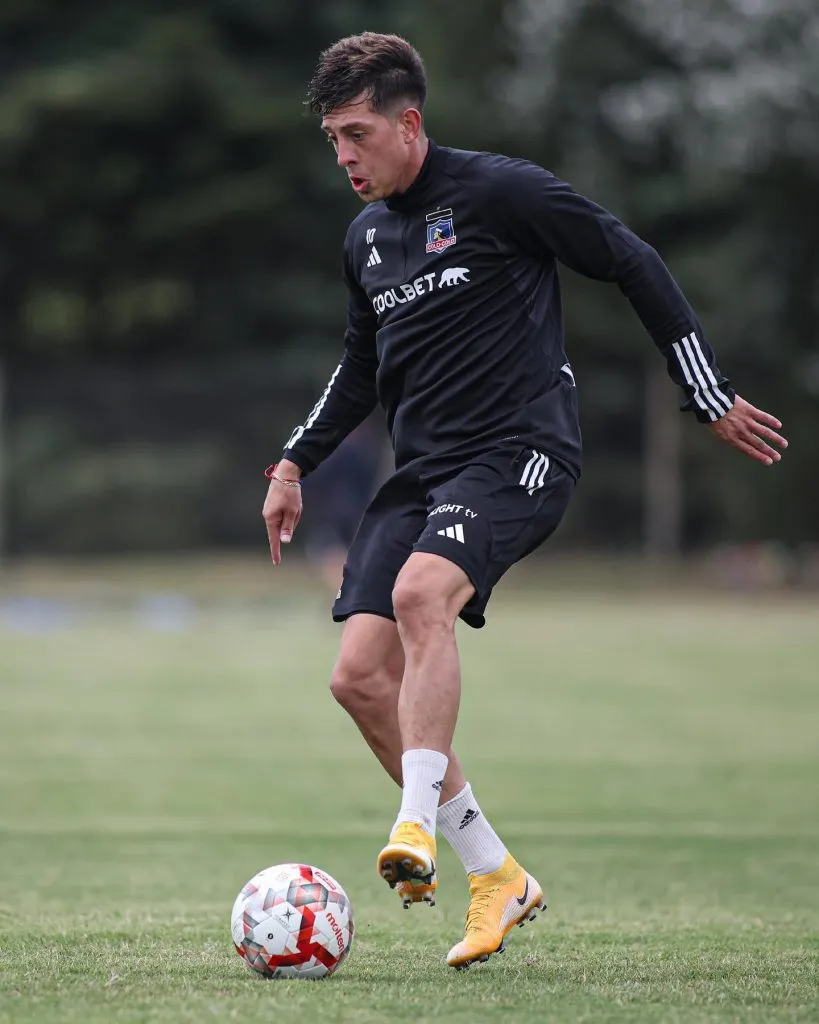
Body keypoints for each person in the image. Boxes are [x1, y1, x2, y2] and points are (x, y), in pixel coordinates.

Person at [262, 32, 788, 970]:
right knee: (357, 678)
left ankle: (413, 825)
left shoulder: (501, 192)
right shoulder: (366, 239)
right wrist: (293, 463)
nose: (342, 156)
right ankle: (494, 873)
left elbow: (629, 257)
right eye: (332, 139)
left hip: (520, 452)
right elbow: (359, 367)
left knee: (422, 595)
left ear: (408, 124)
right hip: (423, 475)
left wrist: (703, 392)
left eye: (355, 134)